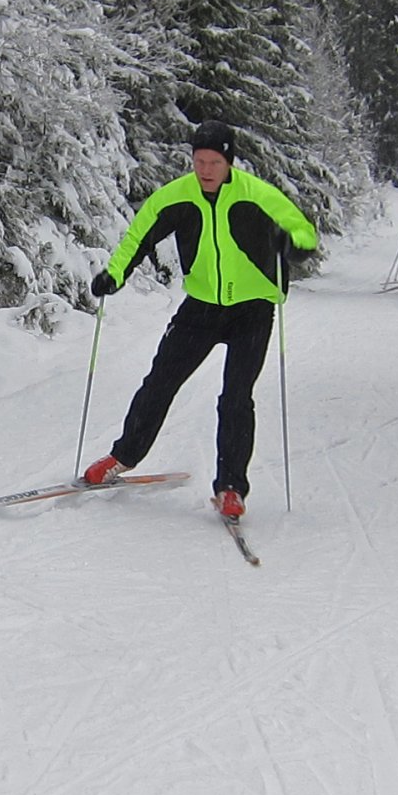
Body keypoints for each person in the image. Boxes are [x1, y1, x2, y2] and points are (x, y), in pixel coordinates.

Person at [83, 120, 318, 520]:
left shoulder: (257, 195)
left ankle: (231, 487)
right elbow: (138, 237)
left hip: (252, 310)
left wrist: (291, 245)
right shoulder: (177, 196)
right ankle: (122, 457)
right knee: (160, 382)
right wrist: (114, 274)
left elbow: (304, 233)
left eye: (214, 162)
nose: (206, 170)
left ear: (229, 162)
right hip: (201, 308)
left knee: (236, 397)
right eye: (199, 161)